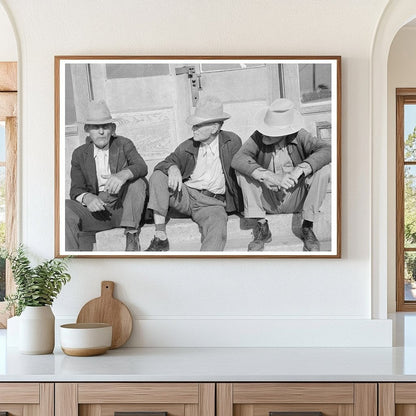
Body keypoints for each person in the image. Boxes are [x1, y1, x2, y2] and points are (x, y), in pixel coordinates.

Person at [231, 98, 331, 252]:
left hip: (295, 198)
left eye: (271, 132)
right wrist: (268, 176)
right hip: (268, 199)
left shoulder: (300, 136)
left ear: (285, 132)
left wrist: (300, 169)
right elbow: (238, 159)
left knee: (323, 170)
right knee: (242, 172)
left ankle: (307, 226)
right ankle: (262, 227)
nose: (265, 134)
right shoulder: (258, 137)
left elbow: (328, 150)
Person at [145, 96, 243, 251]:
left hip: (212, 203)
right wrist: (172, 168)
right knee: (158, 176)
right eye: (193, 125)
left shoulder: (231, 142)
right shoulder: (188, 146)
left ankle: (205, 268)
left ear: (214, 127)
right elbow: (164, 163)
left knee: (217, 229)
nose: (193, 129)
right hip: (186, 196)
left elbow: (245, 163)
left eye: (198, 125)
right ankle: (160, 235)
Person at [65, 100, 148, 251]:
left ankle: (132, 236)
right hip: (98, 211)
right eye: (96, 128)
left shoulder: (124, 144)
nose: (101, 132)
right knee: (64, 208)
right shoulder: (79, 154)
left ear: (113, 128)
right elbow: (75, 190)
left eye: (105, 127)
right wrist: (87, 198)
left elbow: (141, 167)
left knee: (138, 182)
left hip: (124, 209)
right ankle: (70, 262)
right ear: (87, 130)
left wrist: (122, 175)